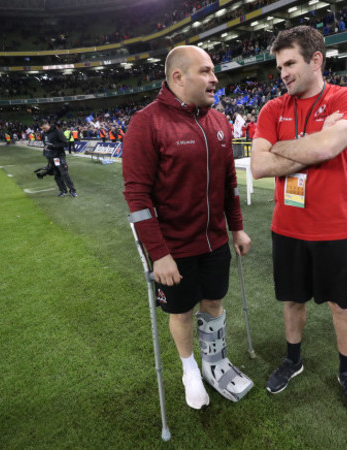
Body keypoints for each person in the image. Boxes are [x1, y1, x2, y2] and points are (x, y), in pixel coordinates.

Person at [122, 45, 253, 410]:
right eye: (207, 71)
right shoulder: (146, 122)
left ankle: (214, 362)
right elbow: (136, 195)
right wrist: (158, 253)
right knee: (180, 312)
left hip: (214, 241)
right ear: (178, 77)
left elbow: (229, 184)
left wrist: (237, 229)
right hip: (174, 248)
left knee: (214, 301)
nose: (215, 79)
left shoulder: (219, 121)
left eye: (214, 71)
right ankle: (189, 368)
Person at [250, 26, 347, 416]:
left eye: (290, 63)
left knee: (341, 306)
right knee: (292, 301)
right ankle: (293, 359)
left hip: (336, 229)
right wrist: (314, 143)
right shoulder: (272, 109)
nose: (282, 72)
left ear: (316, 60)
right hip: (288, 229)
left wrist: (301, 148)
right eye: (279, 65)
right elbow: (259, 166)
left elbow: (330, 145)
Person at [41, 119, 77, 197]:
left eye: (44, 128)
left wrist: (53, 146)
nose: (43, 130)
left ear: (48, 124)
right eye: (42, 128)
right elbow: (45, 144)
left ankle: (72, 190)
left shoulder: (57, 131)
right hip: (51, 157)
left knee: (64, 173)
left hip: (59, 155)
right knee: (56, 174)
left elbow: (65, 143)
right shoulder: (44, 134)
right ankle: (63, 190)